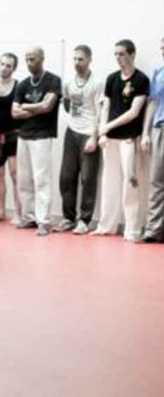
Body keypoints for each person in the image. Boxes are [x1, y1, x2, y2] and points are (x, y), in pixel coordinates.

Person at [93, 39, 149, 242]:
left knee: (130, 183)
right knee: (108, 182)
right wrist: (103, 132)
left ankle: (132, 229)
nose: (118, 58)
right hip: (110, 140)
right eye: (115, 54)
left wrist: (108, 126)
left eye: (122, 54)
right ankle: (106, 225)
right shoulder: (111, 79)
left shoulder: (141, 80)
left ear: (132, 55)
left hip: (129, 140)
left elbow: (134, 112)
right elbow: (106, 107)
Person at [12, 46, 62, 237]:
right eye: (27, 59)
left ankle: (44, 221)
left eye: (32, 59)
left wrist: (25, 106)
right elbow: (14, 112)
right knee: (24, 180)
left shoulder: (53, 80)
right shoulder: (23, 84)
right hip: (23, 136)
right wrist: (35, 108)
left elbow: (47, 106)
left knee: (42, 180)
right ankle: (28, 217)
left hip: (42, 136)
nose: (29, 63)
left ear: (42, 58)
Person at [55, 45, 103, 234]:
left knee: (87, 178)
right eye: (74, 59)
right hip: (72, 132)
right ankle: (68, 218)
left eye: (81, 59)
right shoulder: (68, 82)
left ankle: (85, 220)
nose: (77, 62)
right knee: (66, 177)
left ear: (89, 60)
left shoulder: (97, 83)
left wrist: (94, 137)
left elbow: (100, 112)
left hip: (89, 133)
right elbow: (67, 104)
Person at [0, 53, 20, 223]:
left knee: (15, 174)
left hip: (13, 134)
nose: (4, 68)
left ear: (13, 68)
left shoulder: (18, 87)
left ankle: (19, 212)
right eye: (2, 64)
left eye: (8, 65)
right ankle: (1, 211)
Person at [140, 36, 164, 243]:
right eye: (162, 47)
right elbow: (153, 102)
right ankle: (153, 230)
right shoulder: (158, 72)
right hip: (160, 128)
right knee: (157, 181)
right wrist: (146, 132)